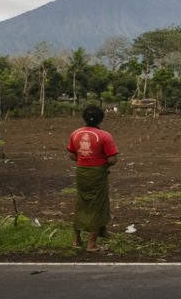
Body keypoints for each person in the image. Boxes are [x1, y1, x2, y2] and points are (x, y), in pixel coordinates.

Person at [67, 105, 120, 252]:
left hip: (81, 172)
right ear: (101, 119)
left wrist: (85, 160)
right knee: (97, 205)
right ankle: (92, 244)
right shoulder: (104, 136)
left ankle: (76, 239)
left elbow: (71, 155)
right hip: (97, 173)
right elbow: (112, 160)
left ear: (83, 118)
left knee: (81, 202)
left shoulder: (75, 134)